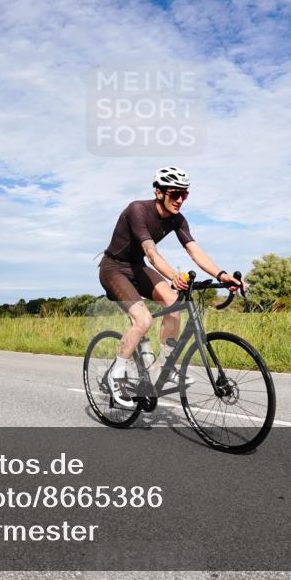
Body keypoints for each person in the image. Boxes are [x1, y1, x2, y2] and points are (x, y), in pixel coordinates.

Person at [99, 167, 243, 407]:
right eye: (175, 194)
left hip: (137, 267)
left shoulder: (178, 219)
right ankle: (118, 373)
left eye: (184, 195)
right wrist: (173, 276)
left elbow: (194, 250)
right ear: (158, 192)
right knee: (143, 320)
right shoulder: (138, 210)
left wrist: (221, 274)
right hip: (113, 269)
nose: (180, 200)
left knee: (174, 302)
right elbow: (151, 251)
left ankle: (163, 367)